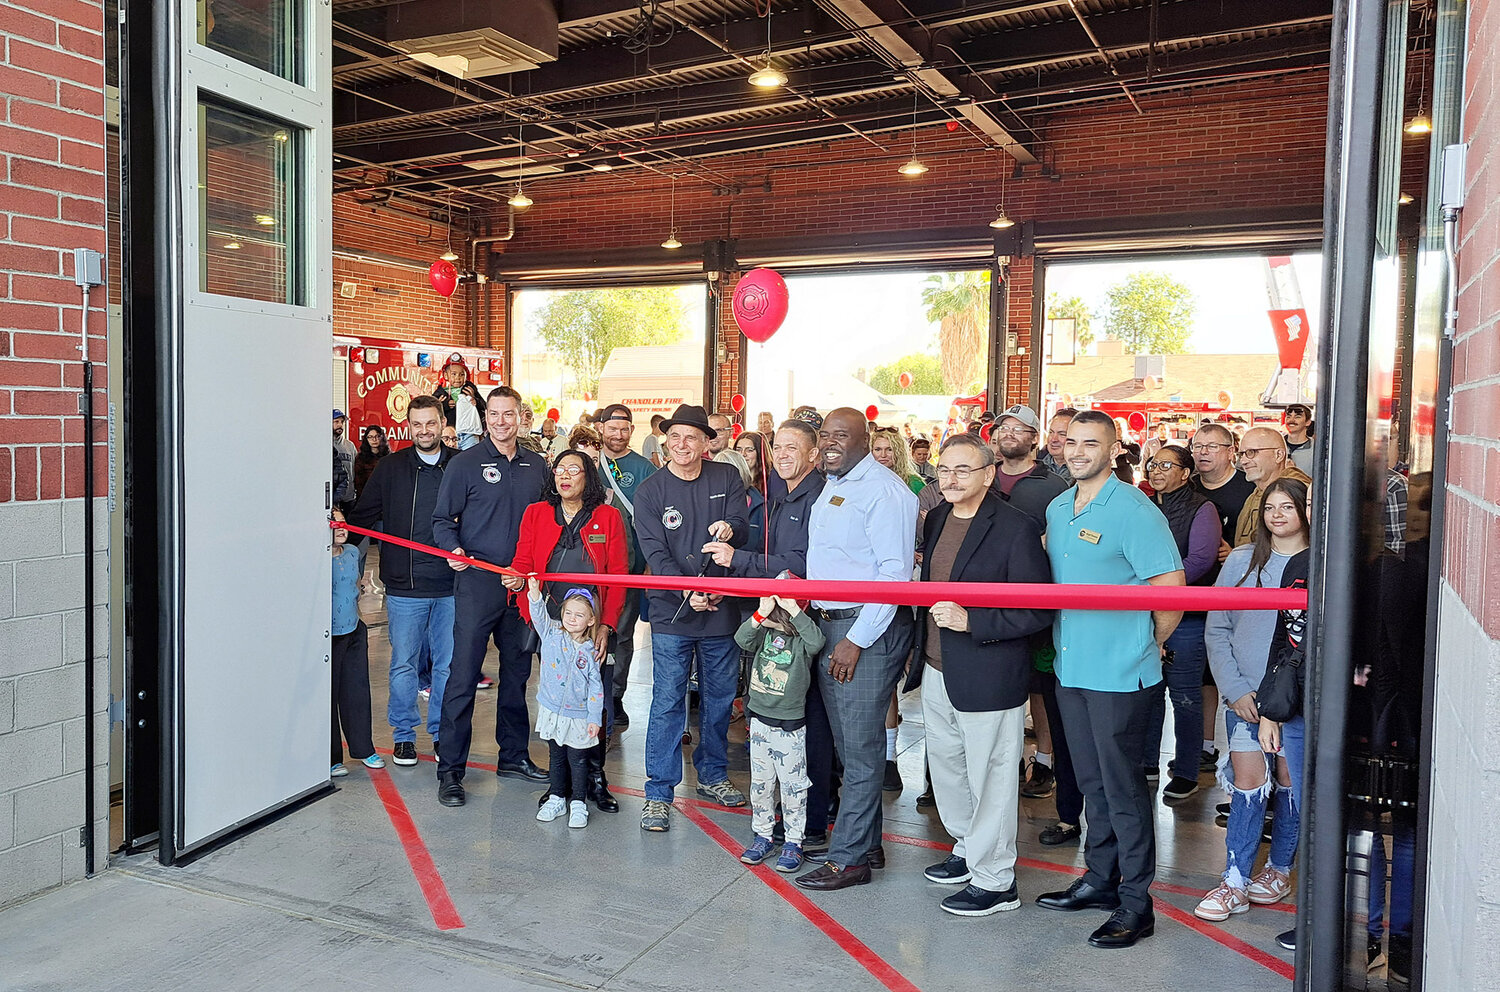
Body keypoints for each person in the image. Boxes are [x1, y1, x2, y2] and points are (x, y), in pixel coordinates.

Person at [1035, 411, 1185, 949]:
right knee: (1092, 783)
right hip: (1071, 666)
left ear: (1114, 447)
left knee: (1123, 790)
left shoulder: (1134, 509)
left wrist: (1148, 643)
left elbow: (1171, 589)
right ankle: (1100, 881)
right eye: (1070, 441)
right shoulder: (1058, 505)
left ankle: (1136, 904)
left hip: (1121, 674)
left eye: (1090, 443)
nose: (1077, 451)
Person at [906, 433, 1053, 916]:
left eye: (962, 470)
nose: (949, 479)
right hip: (936, 666)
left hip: (989, 671)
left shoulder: (1016, 528)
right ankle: (970, 849)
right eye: (944, 470)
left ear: (989, 475)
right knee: (948, 769)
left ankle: (996, 880)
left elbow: (1038, 612)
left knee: (990, 777)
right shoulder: (940, 518)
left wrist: (976, 622)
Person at [795, 408, 917, 892]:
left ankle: (848, 861)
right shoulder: (837, 479)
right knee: (851, 746)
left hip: (862, 632)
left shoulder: (886, 492)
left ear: (866, 439)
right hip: (832, 625)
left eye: (841, 436)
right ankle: (864, 842)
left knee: (862, 751)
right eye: (824, 435)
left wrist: (854, 641)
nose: (829, 443)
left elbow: (893, 576)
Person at [703, 419, 836, 853]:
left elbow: (797, 562)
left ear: (814, 454)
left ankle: (811, 823)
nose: (781, 454)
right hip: (770, 622)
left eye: (792, 447)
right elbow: (763, 548)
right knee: (769, 719)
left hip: (804, 625)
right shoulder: (776, 493)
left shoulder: (819, 497)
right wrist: (734, 539)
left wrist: (735, 560)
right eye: (778, 446)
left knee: (807, 725)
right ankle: (777, 818)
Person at [430, 385, 550, 808]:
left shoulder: (538, 466)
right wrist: (453, 550)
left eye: (509, 414)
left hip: (521, 589)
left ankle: (513, 756)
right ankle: (450, 771)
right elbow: (443, 520)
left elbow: (549, 522)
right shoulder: (465, 464)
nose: (501, 422)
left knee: (517, 678)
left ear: (522, 417)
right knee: (462, 676)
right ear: (485, 420)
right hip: (478, 585)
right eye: (494, 415)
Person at [1196, 477, 1309, 922]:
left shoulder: (1319, 562)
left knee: (1288, 781)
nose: (1277, 514)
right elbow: (1218, 628)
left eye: (1287, 506)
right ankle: (1235, 878)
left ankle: (1279, 868)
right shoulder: (1242, 560)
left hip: (1295, 699)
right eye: (1269, 507)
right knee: (1248, 780)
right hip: (1245, 698)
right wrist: (1236, 690)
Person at [633, 404, 749, 832]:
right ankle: (659, 791)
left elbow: (742, 523)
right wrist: (689, 589)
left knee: (719, 700)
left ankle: (714, 774)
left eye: (692, 438)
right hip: (672, 610)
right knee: (667, 700)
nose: (683, 445)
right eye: (675, 438)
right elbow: (655, 554)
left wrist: (731, 530)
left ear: (707, 443)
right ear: (666, 442)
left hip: (720, 606)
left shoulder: (726, 477)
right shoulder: (650, 491)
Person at [507, 449, 627, 811]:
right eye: (559, 469)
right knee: (559, 701)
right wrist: (515, 581)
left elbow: (619, 575)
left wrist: (606, 624)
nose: (565, 476)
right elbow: (524, 562)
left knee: (595, 701)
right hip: (554, 628)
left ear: (587, 476)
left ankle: (594, 776)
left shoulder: (608, 517)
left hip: (592, 627)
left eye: (573, 470)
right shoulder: (536, 513)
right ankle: (560, 782)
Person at [350, 395, 456, 767]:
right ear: (408, 426)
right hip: (404, 587)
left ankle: (444, 733)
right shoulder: (391, 467)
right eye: (417, 424)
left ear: (443, 423)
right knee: (404, 665)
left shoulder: (460, 466)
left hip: (452, 587)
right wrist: (340, 540)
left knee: (448, 666)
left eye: (431, 423)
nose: (424, 430)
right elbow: (363, 515)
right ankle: (404, 736)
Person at [1144, 444, 1222, 802]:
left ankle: (1188, 770)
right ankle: (1147, 762)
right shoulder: (1142, 505)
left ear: (1185, 473)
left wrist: (1157, 585)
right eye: (1152, 463)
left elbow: (1202, 560)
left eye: (1165, 465)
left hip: (1186, 617)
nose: (1156, 470)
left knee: (1185, 695)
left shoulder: (1201, 508)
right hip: (1143, 613)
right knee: (1147, 691)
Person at [735, 593, 825, 874]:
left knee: (793, 787)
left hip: (790, 727)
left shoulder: (801, 640)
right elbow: (742, 639)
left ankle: (793, 840)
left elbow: (817, 642)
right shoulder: (762, 634)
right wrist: (761, 613)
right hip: (760, 721)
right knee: (761, 785)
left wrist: (794, 610)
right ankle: (763, 835)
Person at [595, 404, 658, 727]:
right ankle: (589, 693)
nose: (617, 434)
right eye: (612, 428)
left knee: (622, 633)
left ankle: (614, 696)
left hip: (630, 567)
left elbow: (653, 522)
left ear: (631, 431)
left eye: (624, 429)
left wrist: (648, 564)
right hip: (590, 569)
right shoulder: (589, 466)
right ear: (601, 429)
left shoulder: (645, 468)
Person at [526, 579, 606, 829]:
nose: (572, 618)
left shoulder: (590, 652)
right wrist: (535, 594)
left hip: (578, 716)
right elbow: (538, 616)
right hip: (552, 712)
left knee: (578, 760)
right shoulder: (551, 634)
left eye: (579, 615)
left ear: (591, 621)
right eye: (568, 612)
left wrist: (594, 718)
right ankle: (557, 797)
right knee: (556, 757)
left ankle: (578, 803)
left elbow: (596, 687)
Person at [329, 510, 383, 777]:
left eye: (343, 521)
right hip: (329, 636)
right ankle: (330, 757)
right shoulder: (316, 557)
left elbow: (357, 587)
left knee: (357, 691)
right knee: (329, 694)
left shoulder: (352, 553)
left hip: (353, 630)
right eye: (333, 521)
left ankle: (363, 748)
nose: (341, 526)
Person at [1233, 427, 1313, 547]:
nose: (1243, 461)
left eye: (1251, 452)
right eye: (1241, 454)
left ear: (1279, 455)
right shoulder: (1255, 493)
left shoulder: (1298, 492)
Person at [431, 354, 485, 450]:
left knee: (471, 457)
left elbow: (484, 407)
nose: (458, 378)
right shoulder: (440, 392)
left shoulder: (469, 389)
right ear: (446, 375)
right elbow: (431, 410)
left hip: (469, 434)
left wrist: (475, 401)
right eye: (454, 374)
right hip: (449, 435)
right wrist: (445, 405)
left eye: (462, 374)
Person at [1040, 407, 1076, 482]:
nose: (1053, 439)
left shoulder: (1087, 471)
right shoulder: (1036, 468)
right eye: (1051, 432)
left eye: (1062, 434)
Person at [353, 425, 391, 496]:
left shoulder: (389, 457)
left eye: (377, 436)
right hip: (367, 495)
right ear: (366, 439)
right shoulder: (361, 458)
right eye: (370, 437)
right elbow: (358, 483)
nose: (374, 439)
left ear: (382, 437)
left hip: (386, 495)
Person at [333, 410, 357, 509]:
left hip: (349, 498)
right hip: (333, 499)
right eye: (336, 421)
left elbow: (356, 469)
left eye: (342, 422)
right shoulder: (325, 445)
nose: (340, 425)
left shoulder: (350, 445)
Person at [1283, 403, 1314, 476]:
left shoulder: (1316, 449)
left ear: (1308, 422)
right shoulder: (1276, 445)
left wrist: (1292, 472)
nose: (1291, 420)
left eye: (1297, 417)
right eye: (1288, 416)